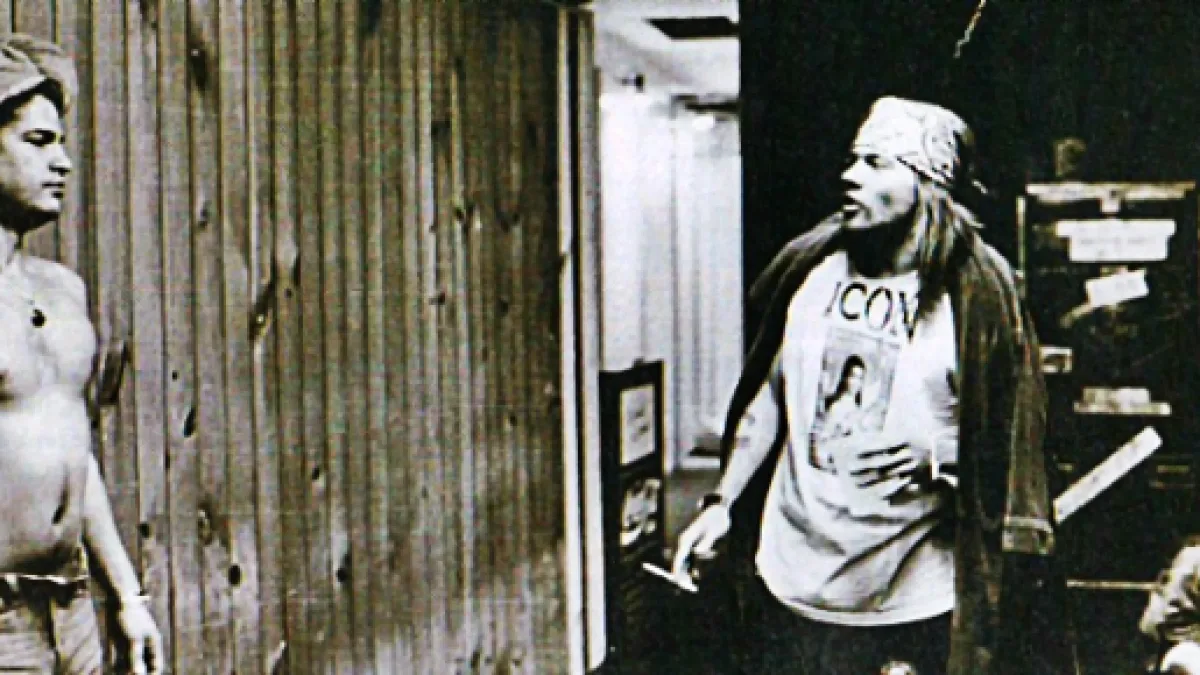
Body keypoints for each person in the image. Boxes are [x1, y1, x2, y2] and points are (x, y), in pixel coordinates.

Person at [671, 96, 1074, 674]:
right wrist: (721, 502)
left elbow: (1011, 441)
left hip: (912, 599)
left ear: (928, 185)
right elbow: (772, 398)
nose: (850, 175)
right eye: (854, 159)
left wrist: (937, 454)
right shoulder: (812, 271)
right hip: (790, 582)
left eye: (876, 163)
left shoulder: (977, 298)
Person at [0, 35, 161, 674]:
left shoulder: (63, 292)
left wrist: (128, 596)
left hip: (73, 610)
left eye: (62, 143)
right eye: (38, 142)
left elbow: (73, 449)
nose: (63, 162)